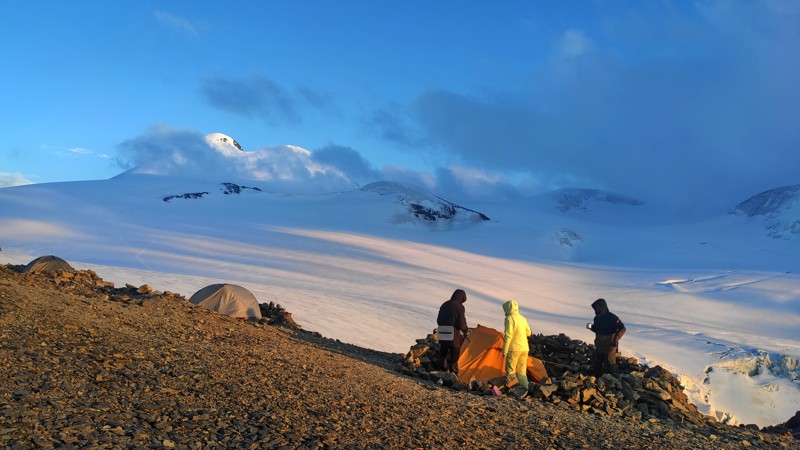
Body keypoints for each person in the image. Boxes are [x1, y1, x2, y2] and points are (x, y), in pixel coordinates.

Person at [587, 298, 626, 377]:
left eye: (597, 308)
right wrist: (591, 327)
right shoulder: (597, 318)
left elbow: (623, 328)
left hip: (610, 347)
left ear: (602, 307)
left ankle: (613, 385)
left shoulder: (612, 317)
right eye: (595, 309)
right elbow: (598, 329)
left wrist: (616, 339)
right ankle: (597, 382)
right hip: (599, 346)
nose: (596, 310)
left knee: (610, 366)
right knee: (597, 365)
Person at [436, 289, 469, 376]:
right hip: (453, 332)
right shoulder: (459, 307)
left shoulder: (445, 304)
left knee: (443, 351)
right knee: (455, 352)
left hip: (442, 330)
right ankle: (453, 374)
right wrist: (466, 330)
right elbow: (461, 322)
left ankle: (441, 370)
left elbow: (438, 319)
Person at [502, 299, 532, 389]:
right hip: (525, 348)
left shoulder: (509, 318)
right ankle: (525, 389)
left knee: (510, 370)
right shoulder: (523, 318)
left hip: (514, 348)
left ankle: (515, 389)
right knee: (522, 372)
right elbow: (529, 333)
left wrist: (505, 350)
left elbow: (508, 335)